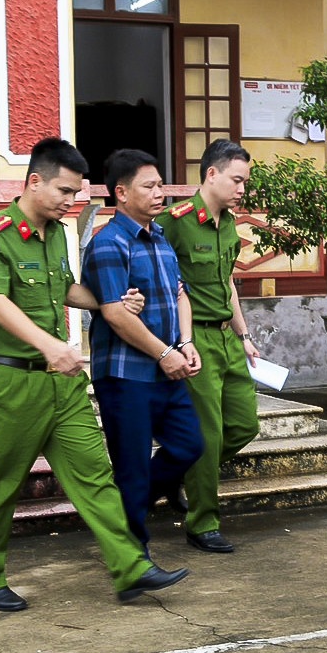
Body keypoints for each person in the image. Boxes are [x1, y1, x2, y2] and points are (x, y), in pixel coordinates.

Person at [0, 137, 188, 610]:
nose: (71, 202)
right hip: (11, 382)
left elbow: (67, 289)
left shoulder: (56, 234)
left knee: (95, 476)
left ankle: (131, 565)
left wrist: (109, 305)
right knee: (0, 485)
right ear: (34, 182)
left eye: (77, 194)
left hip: (61, 383)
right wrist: (50, 344)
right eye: (65, 192)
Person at [81, 148, 204, 552]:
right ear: (121, 193)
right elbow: (116, 316)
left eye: (160, 185)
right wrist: (163, 354)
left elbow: (180, 295)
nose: (160, 194)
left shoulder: (160, 238)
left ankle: (124, 513)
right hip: (125, 374)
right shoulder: (108, 243)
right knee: (132, 467)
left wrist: (184, 344)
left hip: (166, 368)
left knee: (189, 445)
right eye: (149, 187)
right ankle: (134, 554)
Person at [155, 139, 260, 553]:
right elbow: (162, 282)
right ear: (211, 174)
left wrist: (245, 334)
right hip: (193, 338)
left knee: (244, 424)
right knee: (208, 432)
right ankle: (202, 522)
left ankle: (175, 471)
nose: (241, 189)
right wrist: (174, 344)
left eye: (245, 182)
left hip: (226, 337)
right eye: (236, 179)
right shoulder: (175, 222)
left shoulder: (230, 224)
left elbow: (227, 282)